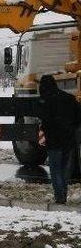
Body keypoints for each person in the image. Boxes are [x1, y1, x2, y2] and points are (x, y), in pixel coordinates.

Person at [36, 75, 81, 204]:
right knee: (66, 170)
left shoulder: (44, 101)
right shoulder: (69, 98)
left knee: (55, 170)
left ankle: (60, 197)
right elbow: (78, 117)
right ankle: (63, 193)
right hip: (69, 140)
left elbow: (43, 120)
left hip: (53, 141)